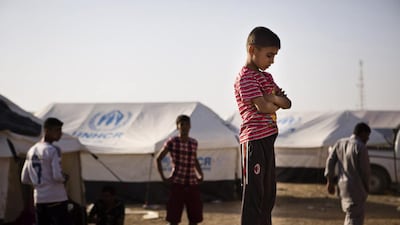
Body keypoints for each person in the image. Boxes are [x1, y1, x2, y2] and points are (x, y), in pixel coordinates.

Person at [233, 26, 292, 225]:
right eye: (269, 55)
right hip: (254, 141)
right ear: (252, 50)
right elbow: (264, 107)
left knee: (268, 194)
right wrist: (273, 101)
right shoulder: (245, 77)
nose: (272, 61)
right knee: (254, 192)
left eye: (274, 56)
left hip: (268, 139)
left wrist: (272, 97)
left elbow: (287, 103)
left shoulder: (266, 78)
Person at [21, 117, 72, 225]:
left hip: (39, 199)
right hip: (56, 198)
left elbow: (24, 178)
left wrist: (40, 183)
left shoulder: (31, 150)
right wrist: (65, 177)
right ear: (47, 131)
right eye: (57, 130)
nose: (60, 134)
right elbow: (57, 176)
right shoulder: (53, 150)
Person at [156, 114, 204, 225]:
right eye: (182, 124)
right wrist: (163, 177)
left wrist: (200, 174)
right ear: (177, 126)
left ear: (190, 126)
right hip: (177, 183)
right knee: (173, 218)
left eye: (187, 124)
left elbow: (194, 159)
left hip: (192, 183)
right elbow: (158, 158)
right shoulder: (172, 142)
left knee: (195, 218)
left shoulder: (193, 142)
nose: (185, 127)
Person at [325, 122, 371, 225]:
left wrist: (330, 181)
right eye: (367, 136)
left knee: (350, 216)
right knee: (355, 219)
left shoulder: (340, 143)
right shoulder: (360, 147)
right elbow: (365, 171)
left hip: (343, 187)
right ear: (362, 133)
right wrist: (366, 188)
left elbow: (330, 162)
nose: (367, 139)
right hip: (356, 188)